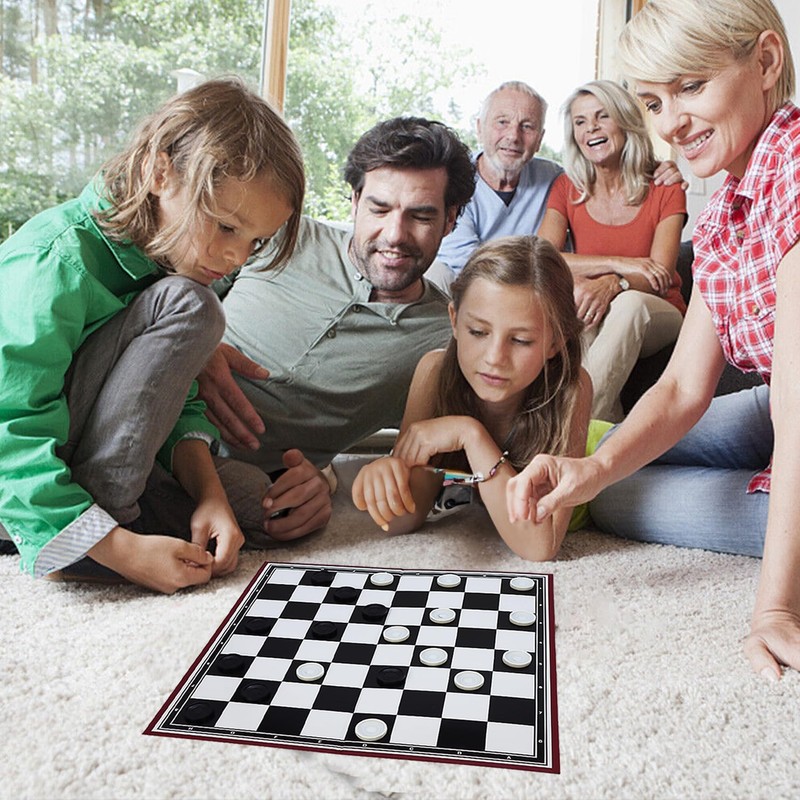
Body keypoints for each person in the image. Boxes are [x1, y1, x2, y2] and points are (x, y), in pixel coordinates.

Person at [506, 0, 800, 681]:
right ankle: (572, 452)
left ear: (765, 61)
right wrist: (590, 469)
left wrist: (775, 611)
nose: (673, 123)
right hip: (773, 414)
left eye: (691, 87)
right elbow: (680, 388)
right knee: (597, 482)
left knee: (613, 501)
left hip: (791, 416)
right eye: (653, 102)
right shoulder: (726, 206)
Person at [0, 77, 305, 593]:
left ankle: (119, 518)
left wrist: (209, 494)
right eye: (226, 227)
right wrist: (122, 550)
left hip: (92, 458)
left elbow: (172, 400)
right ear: (159, 171)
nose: (235, 258)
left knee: (262, 505)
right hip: (22, 476)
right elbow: (12, 427)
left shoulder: (165, 258)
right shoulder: (55, 259)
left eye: (254, 242)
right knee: (194, 305)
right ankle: (101, 532)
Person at [197, 116, 476, 542]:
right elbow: (175, 287)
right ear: (355, 200)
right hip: (166, 399)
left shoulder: (444, 338)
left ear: (451, 219)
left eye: (420, 216)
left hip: (246, 471)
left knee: (278, 511)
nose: (394, 235)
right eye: (379, 209)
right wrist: (196, 347)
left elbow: (460, 466)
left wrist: (322, 482)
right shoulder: (282, 233)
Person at [352, 235, 606, 560]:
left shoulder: (572, 387)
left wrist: (470, 435)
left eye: (521, 340)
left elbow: (540, 545)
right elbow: (406, 517)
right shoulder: (433, 373)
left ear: (555, 343)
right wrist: (385, 479)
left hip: (602, 454)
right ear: (455, 320)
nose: (494, 358)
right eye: (478, 332)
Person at [538, 80, 687, 422]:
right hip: (598, 304)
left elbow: (660, 275)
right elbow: (543, 258)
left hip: (659, 310)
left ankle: (571, 429)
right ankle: (604, 429)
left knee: (628, 305)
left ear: (623, 121)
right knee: (579, 311)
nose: (590, 128)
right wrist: (616, 265)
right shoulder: (568, 188)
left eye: (602, 116)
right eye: (580, 121)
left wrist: (615, 283)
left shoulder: (665, 186)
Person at [436, 80, 684, 276]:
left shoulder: (555, 179)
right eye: (502, 122)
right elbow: (471, 264)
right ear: (479, 127)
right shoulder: (453, 181)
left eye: (527, 126)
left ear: (540, 139)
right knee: (438, 273)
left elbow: (614, 170)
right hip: (473, 282)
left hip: (538, 290)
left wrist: (658, 167)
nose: (513, 136)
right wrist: (615, 266)